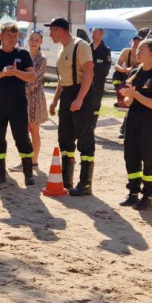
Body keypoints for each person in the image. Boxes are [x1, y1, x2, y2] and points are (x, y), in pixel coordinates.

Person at [0, 22, 35, 189]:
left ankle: (28, 172)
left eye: (15, 35)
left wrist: (16, 72)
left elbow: (32, 77)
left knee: (22, 138)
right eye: (9, 35)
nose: (12, 38)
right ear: (1, 36)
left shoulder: (23, 53)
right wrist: (3, 73)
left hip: (18, 104)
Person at [47, 17, 96, 195]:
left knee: (84, 138)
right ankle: (66, 180)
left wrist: (80, 98)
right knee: (65, 138)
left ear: (60, 30)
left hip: (80, 93)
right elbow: (62, 79)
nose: (50, 34)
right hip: (68, 94)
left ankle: (85, 184)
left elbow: (89, 72)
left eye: (52, 30)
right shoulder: (61, 49)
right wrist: (55, 100)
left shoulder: (80, 45)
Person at [118, 39, 152, 210]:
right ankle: (133, 192)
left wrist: (135, 94)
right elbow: (128, 100)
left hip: (150, 123)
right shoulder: (135, 72)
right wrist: (128, 95)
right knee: (130, 156)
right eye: (137, 49)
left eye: (141, 50)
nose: (137, 52)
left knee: (148, 158)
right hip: (133, 119)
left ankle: (148, 195)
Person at [23, 30, 48, 170]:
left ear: (41, 42)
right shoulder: (23, 56)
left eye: (36, 39)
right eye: (31, 39)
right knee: (23, 130)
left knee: (34, 129)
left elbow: (35, 79)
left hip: (35, 97)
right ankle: (25, 158)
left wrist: (20, 90)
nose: (33, 42)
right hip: (22, 97)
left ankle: (34, 160)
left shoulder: (42, 59)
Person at [113, 29, 144, 138]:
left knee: (134, 108)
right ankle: (119, 94)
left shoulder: (143, 54)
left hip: (138, 79)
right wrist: (124, 70)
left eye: (138, 43)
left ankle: (126, 129)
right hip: (127, 78)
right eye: (134, 42)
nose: (136, 45)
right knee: (116, 75)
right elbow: (117, 66)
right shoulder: (126, 51)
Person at [89, 26, 112, 116]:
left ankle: (94, 119)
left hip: (98, 80)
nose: (93, 35)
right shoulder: (87, 47)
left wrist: (95, 67)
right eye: (92, 33)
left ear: (101, 35)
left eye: (95, 33)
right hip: (86, 79)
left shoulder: (105, 49)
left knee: (96, 101)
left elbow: (107, 67)